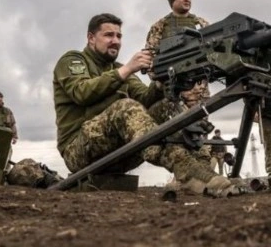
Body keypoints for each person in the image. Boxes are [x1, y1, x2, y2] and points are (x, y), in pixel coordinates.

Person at [52, 13, 238, 196]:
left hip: (118, 152)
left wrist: (161, 82)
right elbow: (82, 92)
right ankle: (186, 169)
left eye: (118, 36)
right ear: (91, 38)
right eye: (108, 35)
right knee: (125, 107)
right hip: (78, 152)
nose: (115, 41)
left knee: (167, 105)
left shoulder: (118, 68)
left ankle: (203, 169)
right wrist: (126, 70)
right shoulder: (73, 60)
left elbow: (144, 98)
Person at [144, 0, 210, 109]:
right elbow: (149, 55)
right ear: (172, 2)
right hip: (172, 88)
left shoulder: (201, 24)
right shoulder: (161, 25)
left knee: (200, 125)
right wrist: (160, 81)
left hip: (199, 90)